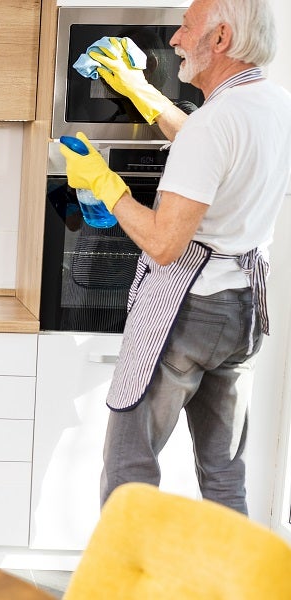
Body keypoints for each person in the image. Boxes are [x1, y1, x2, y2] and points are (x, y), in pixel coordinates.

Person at [60, 0, 291, 515]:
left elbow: (165, 244)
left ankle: (121, 587)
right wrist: (139, 91)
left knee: (129, 467)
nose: (175, 39)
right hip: (243, 310)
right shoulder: (275, 105)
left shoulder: (215, 122)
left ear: (221, 39)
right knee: (224, 469)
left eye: (187, 27)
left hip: (188, 313)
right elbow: (211, 152)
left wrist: (106, 183)